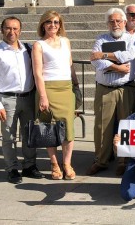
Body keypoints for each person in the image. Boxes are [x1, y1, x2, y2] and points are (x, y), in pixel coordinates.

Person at [0, 16, 43, 183]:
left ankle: (30, 166)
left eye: (15, 28)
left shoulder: (28, 49)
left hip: (28, 97)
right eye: (8, 28)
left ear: (20, 31)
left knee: (29, 134)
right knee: (9, 136)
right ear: (2, 30)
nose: (12, 32)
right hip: (7, 99)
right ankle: (12, 169)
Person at [87, 8, 135, 176]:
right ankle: (100, 160)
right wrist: (116, 66)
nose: (115, 24)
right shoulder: (100, 39)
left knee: (126, 125)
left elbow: (129, 55)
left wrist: (105, 55)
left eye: (118, 21)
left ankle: (123, 160)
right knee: (102, 126)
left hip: (126, 89)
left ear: (124, 22)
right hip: (105, 89)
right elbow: (95, 61)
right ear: (107, 23)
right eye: (111, 21)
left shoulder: (131, 39)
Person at [31, 10, 80, 180]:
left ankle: (67, 163)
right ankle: (54, 164)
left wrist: (76, 87)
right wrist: (43, 96)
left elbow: (70, 65)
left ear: (60, 25)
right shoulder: (39, 45)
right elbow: (38, 73)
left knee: (68, 127)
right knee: (49, 127)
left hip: (66, 88)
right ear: (43, 25)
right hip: (48, 89)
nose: (53, 25)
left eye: (56, 22)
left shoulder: (66, 41)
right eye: (49, 22)